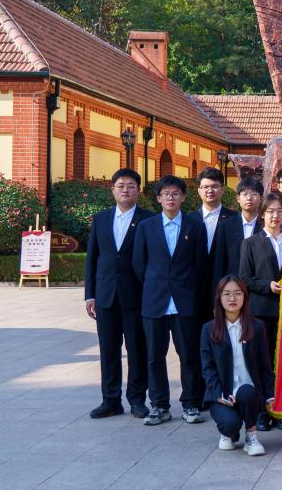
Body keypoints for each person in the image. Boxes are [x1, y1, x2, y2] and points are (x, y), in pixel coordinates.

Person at [132, 175, 209, 426]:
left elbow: (201, 266)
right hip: (155, 301)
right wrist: (156, 285)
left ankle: (190, 404)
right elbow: (139, 264)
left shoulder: (195, 227)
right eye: (166, 194)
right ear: (158, 198)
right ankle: (159, 405)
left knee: (189, 355)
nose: (170, 198)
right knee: (154, 356)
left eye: (175, 193)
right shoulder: (146, 227)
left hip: (185, 301)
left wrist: (189, 291)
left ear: (183, 197)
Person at [84, 168, 155, 419]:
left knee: (137, 350)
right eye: (121, 185)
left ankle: (137, 400)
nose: (126, 190)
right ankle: (110, 400)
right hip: (106, 296)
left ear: (138, 190)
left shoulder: (149, 220)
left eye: (131, 186)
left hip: (136, 296)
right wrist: (90, 294)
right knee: (108, 351)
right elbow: (92, 258)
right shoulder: (101, 219)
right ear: (113, 189)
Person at [238, 192, 282, 431]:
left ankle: (281, 412)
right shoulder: (251, 243)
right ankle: (262, 412)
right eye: (270, 211)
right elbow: (245, 278)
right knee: (261, 362)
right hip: (261, 312)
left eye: (279, 211)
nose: (275, 216)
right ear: (262, 214)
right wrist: (267, 286)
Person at [200, 276, 273, 457]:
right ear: (219, 298)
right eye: (226, 294)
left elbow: (265, 365)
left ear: (244, 297)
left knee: (247, 392)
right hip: (223, 394)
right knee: (230, 425)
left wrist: (271, 395)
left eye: (237, 293)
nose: (232, 298)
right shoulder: (209, 329)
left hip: (250, 393)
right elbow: (208, 368)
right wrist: (219, 395)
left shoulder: (257, 327)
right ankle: (229, 432)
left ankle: (251, 437)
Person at [188, 168, 237, 328]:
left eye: (214, 186)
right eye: (205, 187)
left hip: (224, 285)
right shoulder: (188, 219)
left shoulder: (234, 219)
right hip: (194, 288)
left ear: (222, 190)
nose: (210, 190)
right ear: (199, 191)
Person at [213, 177, 265, 286]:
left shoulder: (266, 226)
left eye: (254, 194)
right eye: (245, 194)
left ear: (261, 198)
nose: (249, 198)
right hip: (232, 286)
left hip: (260, 287)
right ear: (238, 198)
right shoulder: (225, 226)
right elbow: (219, 262)